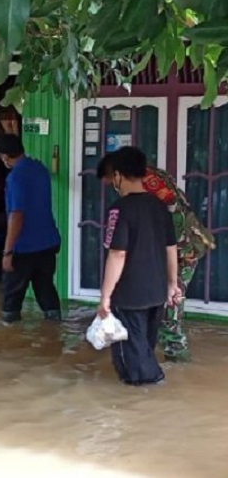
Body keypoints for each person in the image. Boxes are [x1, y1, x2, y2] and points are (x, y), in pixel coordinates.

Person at [97, 150, 215, 362]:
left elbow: (174, 222)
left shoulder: (152, 184)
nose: (113, 187)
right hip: (165, 250)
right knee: (156, 302)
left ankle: (177, 357)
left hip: (182, 249)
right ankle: (150, 356)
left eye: (109, 181)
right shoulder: (142, 179)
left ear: (117, 174)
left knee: (171, 303)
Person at [96, 147, 179, 385]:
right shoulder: (159, 205)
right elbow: (170, 247)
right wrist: (172, 284)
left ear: (118, 175)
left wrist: (105, 296)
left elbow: (118, 254)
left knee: (134, 367)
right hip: (156, 294)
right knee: (144, 351)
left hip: (129, 297)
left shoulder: (119, 209)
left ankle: (152, 406)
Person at [0, 135, 62, 323]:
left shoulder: (15, 177)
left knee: (12, 297)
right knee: (45, 288)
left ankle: (10, 339)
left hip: (24, 248)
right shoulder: (39, 169)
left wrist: (7, 252)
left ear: (4, 156)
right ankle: (54, 334)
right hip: (48, 243)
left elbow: (16, 216)